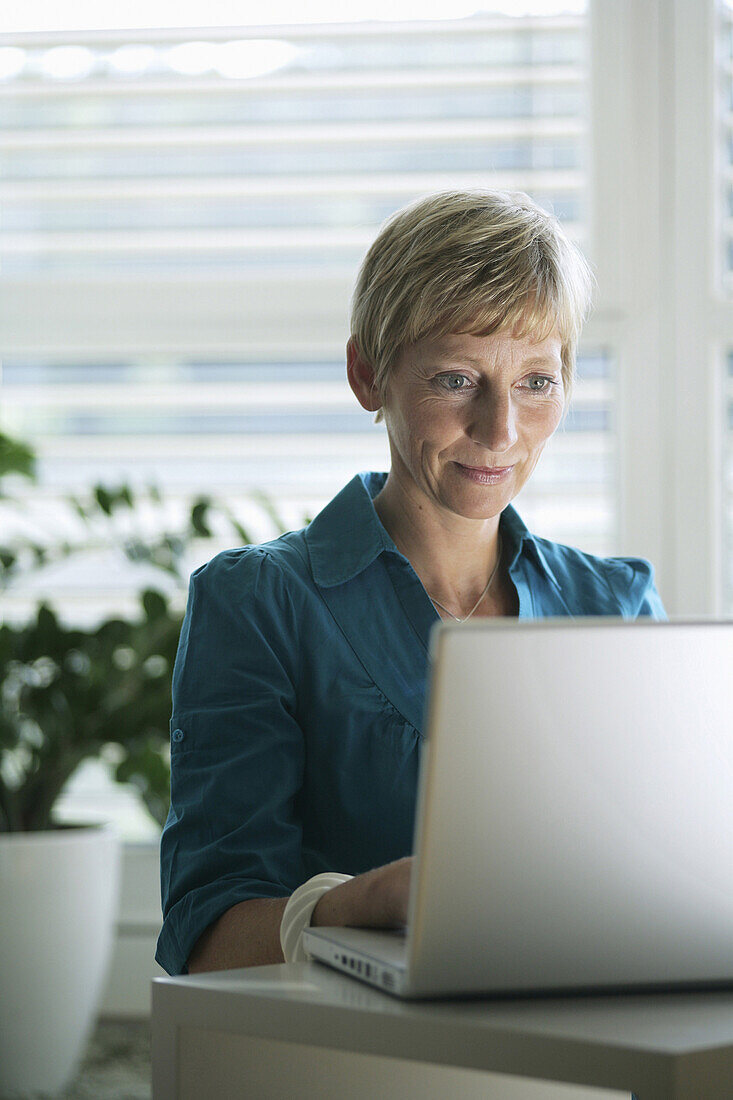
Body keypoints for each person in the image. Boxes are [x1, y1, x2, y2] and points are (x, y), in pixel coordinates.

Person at [156, 190, 666, 977]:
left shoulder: (618, 607)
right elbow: (208, 940)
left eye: (536, 381)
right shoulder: (258, 603)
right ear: (367, 374)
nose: (501, 431)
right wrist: (356, 904)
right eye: (457, 379)